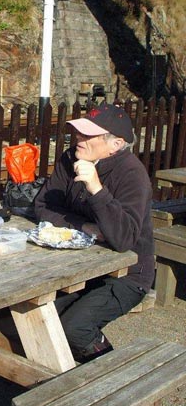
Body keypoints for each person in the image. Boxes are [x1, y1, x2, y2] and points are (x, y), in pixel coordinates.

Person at [34, 103, 154, 363]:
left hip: (128, 275)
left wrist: (97, 189)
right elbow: (43, 205)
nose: (79, 139)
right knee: (40, 315)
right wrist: (83, 226)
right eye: (79, 132)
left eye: (89, 135)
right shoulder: (70, 158)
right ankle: (53, 373)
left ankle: (111, 373)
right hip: (81, 266)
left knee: (73, 329)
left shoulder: (133, 175)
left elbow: (124, 240)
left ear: (115, 144)